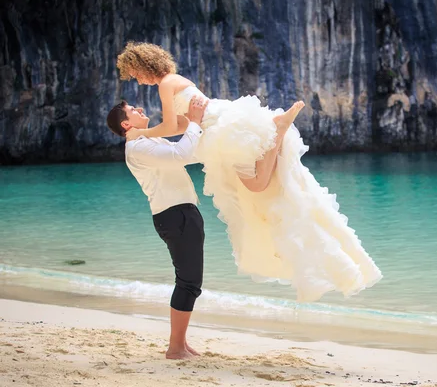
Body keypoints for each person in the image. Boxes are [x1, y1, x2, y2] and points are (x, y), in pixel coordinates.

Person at [116, 41, 383, 303]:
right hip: (221, 126)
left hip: (223, 131)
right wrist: (184, 127)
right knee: (257, 187)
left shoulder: (165, 84)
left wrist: (142, 133)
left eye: (136, 74)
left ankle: (277, 132)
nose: (138, 80)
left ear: (145, 65)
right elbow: (182, 125)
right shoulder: (173, 81)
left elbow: (170, 124)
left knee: (255, 185)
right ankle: (276, 134)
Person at [106, 95, 208, 359]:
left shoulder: (148, 142)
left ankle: (180, 344)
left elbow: (188, 154)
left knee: (189, 282)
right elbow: (180, 153)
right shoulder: (138, 148)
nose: (139, 108)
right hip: (175, 215)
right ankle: (175, 347)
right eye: (132, 110)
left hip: (179, 213)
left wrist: (198, 128)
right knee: (189, 283)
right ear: (126, 125)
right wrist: (194, 122)